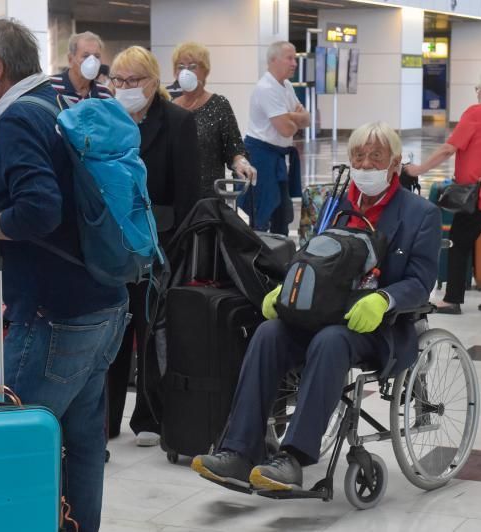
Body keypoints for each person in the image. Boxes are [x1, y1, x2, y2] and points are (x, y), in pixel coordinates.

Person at [191, 122, 440, 491]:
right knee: (268, 333)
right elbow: (307, 258)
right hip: (321, 312)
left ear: (396, 163)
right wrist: (284, 289)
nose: (366, 164)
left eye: (376, 157)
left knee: (330, 341)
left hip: (378, 328)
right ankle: (238, 451)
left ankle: (293, 458)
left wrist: (384, 298)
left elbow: (421, 283)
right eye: (358, 156)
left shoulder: (420, 214)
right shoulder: (334, 205)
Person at [0, 19, 130, 532]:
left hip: (58, 314)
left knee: (15, 443)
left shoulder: (18, 119)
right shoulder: (57, 104)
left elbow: (40, 210)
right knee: (82, 446)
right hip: (102, 302)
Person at [106, 45, 201, 447]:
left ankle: (149, 416)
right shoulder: (106, 119)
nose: (126, 88)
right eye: (118, 81)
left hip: (159, 243)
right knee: (111, 331)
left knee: (151, 331)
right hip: (112, 243)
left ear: (153, 81)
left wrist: (176, 249)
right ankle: (105, 417)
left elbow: (188, 194)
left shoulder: (177, 121)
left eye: (134, 80)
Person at [406, 70, 481, 315]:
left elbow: (448, 149)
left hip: (480, 195)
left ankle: (452, 299)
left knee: (459, 242)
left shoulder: (476, 114)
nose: (477, 91)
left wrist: (418, 169)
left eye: (479, 87)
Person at [240, 41, 309, 235]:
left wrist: (291, 116)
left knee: (281, 212)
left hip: (277, 156)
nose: (294, 63)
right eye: (289, 58)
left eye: (294, 58)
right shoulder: (266, 88)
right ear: (273, 60)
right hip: (261, 156)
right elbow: (287, 129)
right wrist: (295, 118)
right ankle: (260, 258)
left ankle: (280, 256)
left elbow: (307, 119)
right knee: (262, 212)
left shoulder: (286, 86)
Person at [171, 41, 256, 197]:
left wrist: (240, 162)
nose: (185, 72)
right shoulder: (170, 108)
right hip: (175, 196)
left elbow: (235, 148)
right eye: (180, 67)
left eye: (192, 67)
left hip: (208, 198)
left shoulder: (219, 104)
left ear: (205, 71)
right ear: (175, 73)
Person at [50, 31, 113, 105]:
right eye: (85, 56)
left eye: (97, 56)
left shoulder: (105, 94)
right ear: (70, 59)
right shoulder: (50, 87)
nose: (92, 61)